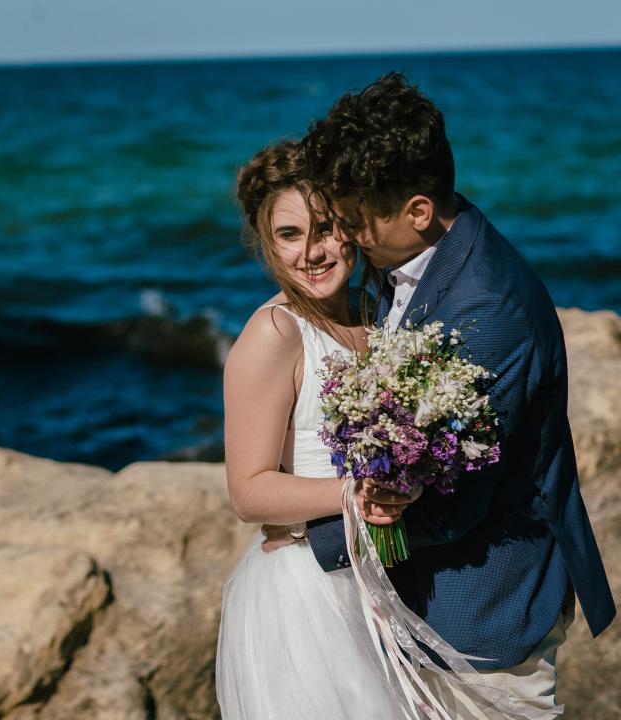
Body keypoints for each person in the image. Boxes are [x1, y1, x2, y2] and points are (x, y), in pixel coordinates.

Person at [261, 71, 615, 718]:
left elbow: (455, 502)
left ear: (419, 210)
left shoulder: (487, 314)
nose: (343, 238)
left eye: (354, 223)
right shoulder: (432, 241)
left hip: (482, 614)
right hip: (414, 605)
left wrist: (312, 548)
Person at [214, 141, 416, 719]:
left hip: (376, 578)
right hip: (307, 595)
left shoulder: (372, 317)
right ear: (266, 241)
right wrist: (357, 493)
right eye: (289, 235)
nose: (312, 252)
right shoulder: (274, 333)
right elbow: (249, 491)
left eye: (325, 228)